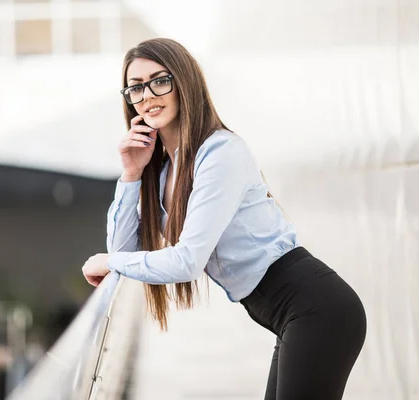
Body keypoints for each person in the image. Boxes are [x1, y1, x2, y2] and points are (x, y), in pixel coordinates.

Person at [81, 38, 366, 400]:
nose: (148, 95)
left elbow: (185, 261)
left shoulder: (220, 153)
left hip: (318, 310)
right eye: (136, 88)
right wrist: (131, 175)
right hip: (291, 318)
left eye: (159, 81)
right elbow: (122, 252)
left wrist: (111, 262)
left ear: (184, 81)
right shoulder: (166, 171)